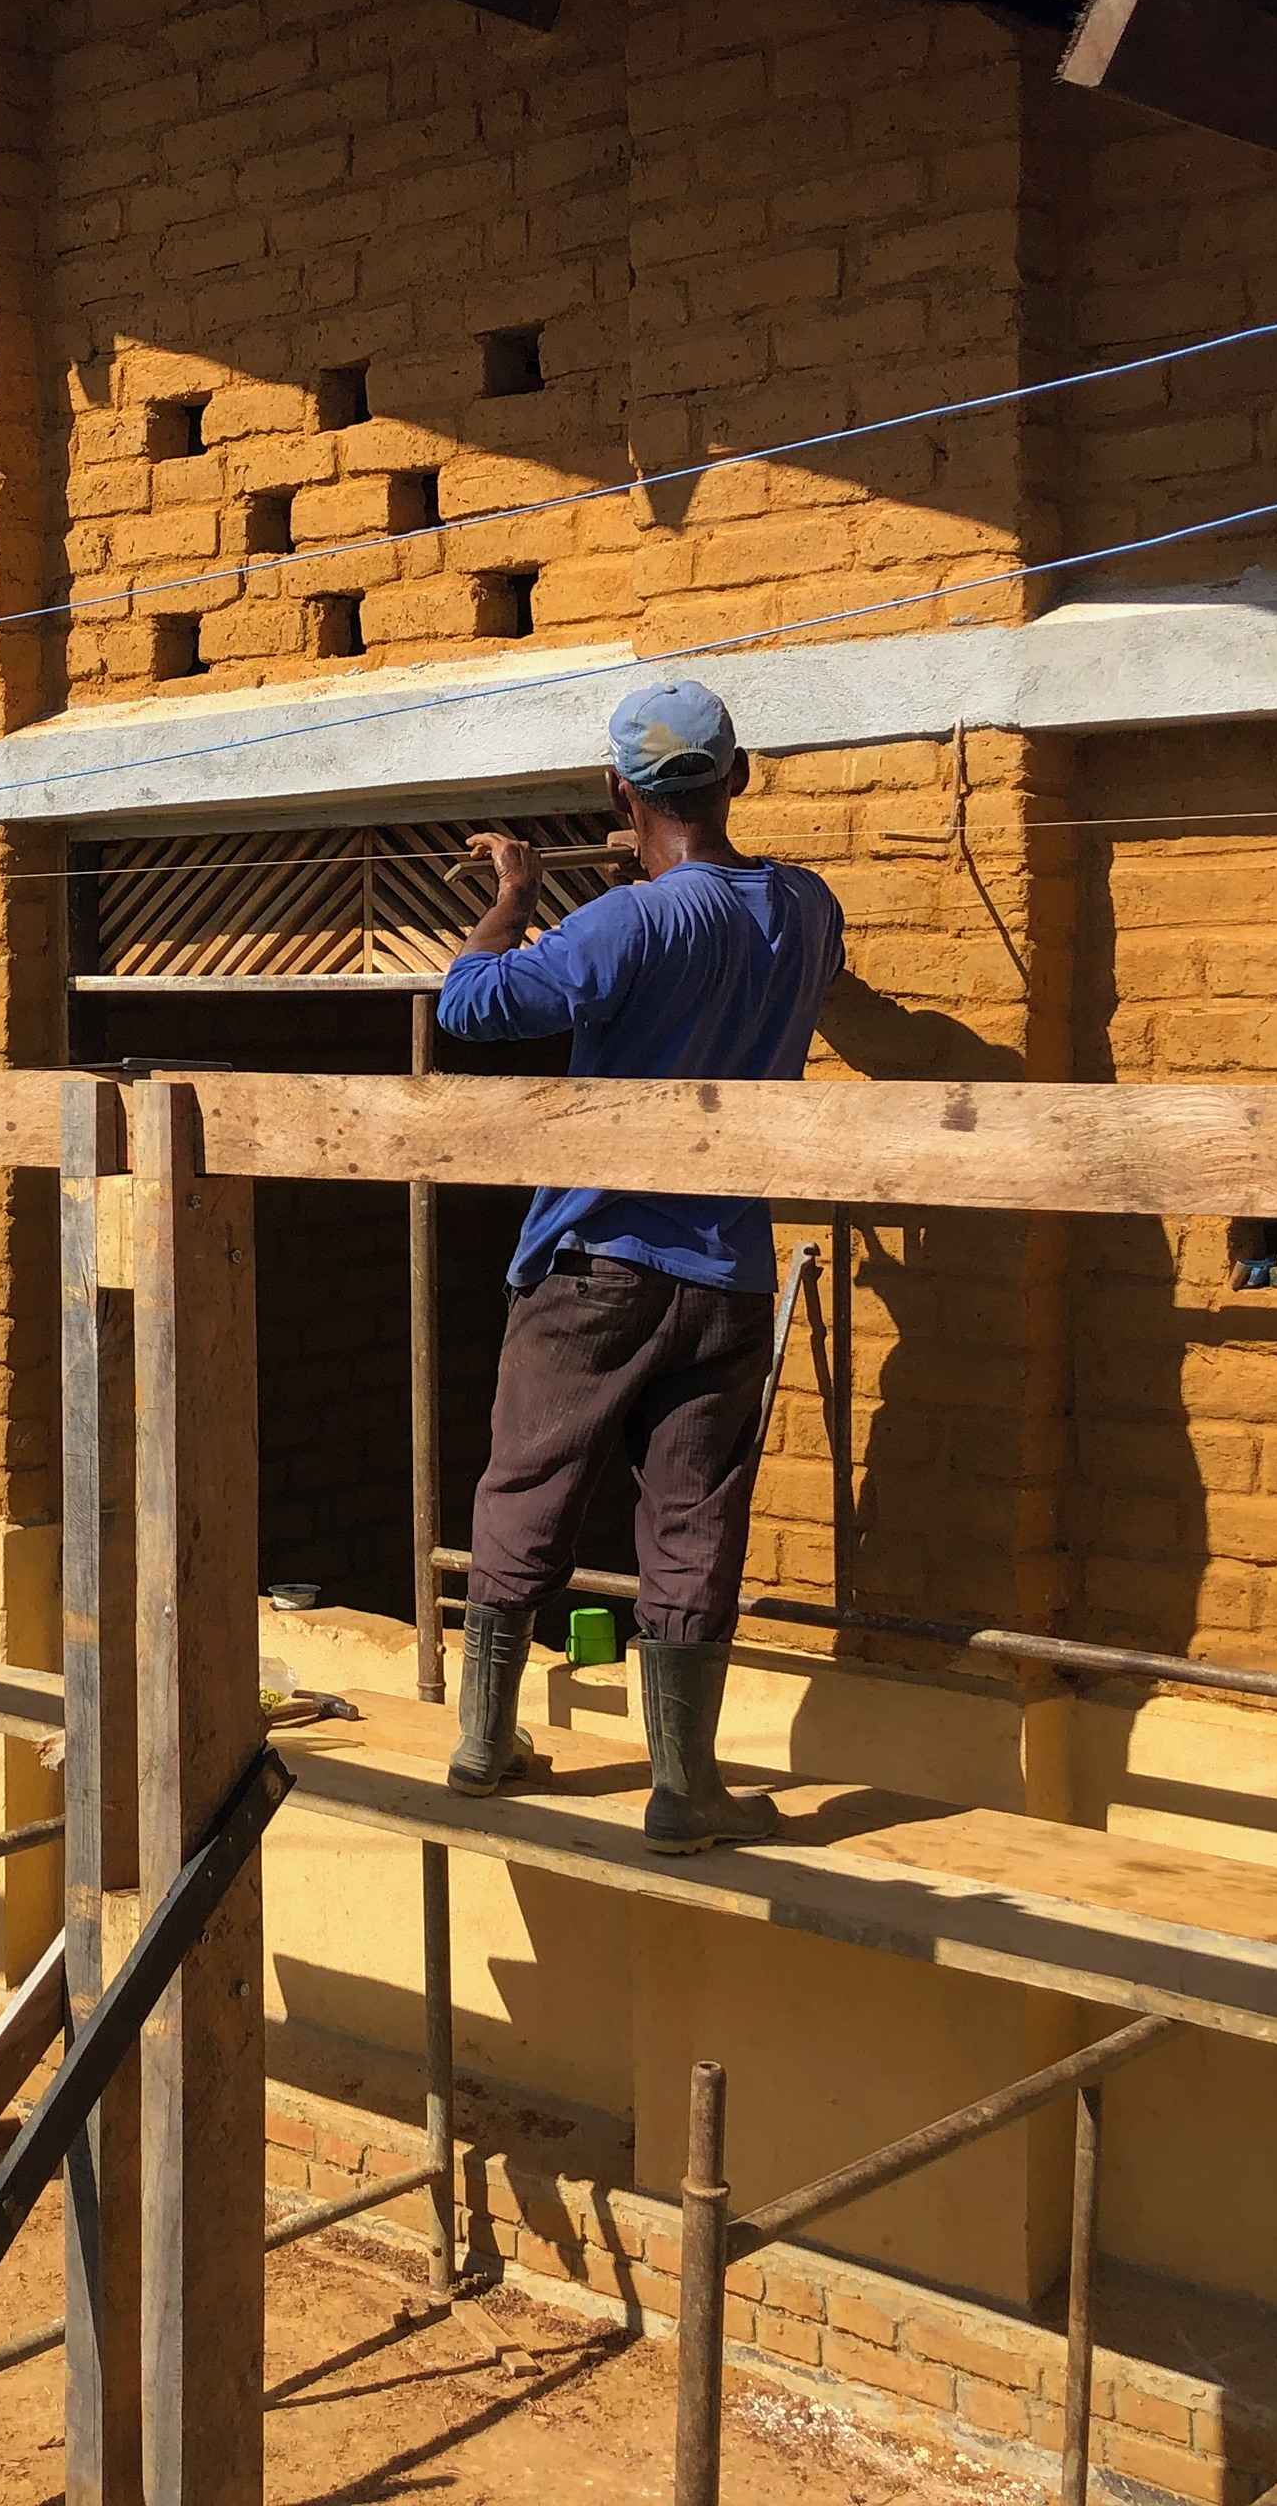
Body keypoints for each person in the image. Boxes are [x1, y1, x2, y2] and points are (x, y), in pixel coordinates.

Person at [429, 678, 845, 1853]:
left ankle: (482, 1741)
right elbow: (747, 960)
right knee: (691, 1520)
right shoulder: (809, 910)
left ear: (619, 791)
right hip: (725, 1276)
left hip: (592, 1262)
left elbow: (474, 1006)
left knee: (529, 1486)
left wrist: (512, 897)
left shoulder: (628, 924)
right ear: (741, 777)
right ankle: (683, 1787)